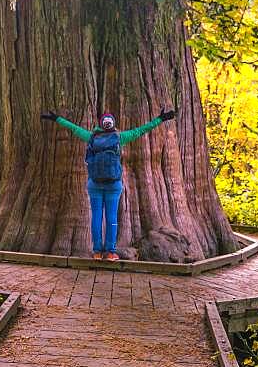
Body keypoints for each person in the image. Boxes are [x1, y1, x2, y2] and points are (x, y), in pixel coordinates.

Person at [41, 108, 176, 260]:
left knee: (96, 217)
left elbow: (74, 128)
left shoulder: (91, 137)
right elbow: (141, 130)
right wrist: (160, 119)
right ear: (113, 124)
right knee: (111, 217)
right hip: (114, 184)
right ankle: (111, 252)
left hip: (94, 184)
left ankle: (97, 252)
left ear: (100, 124)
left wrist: (57, 118)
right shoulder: (120, 137)